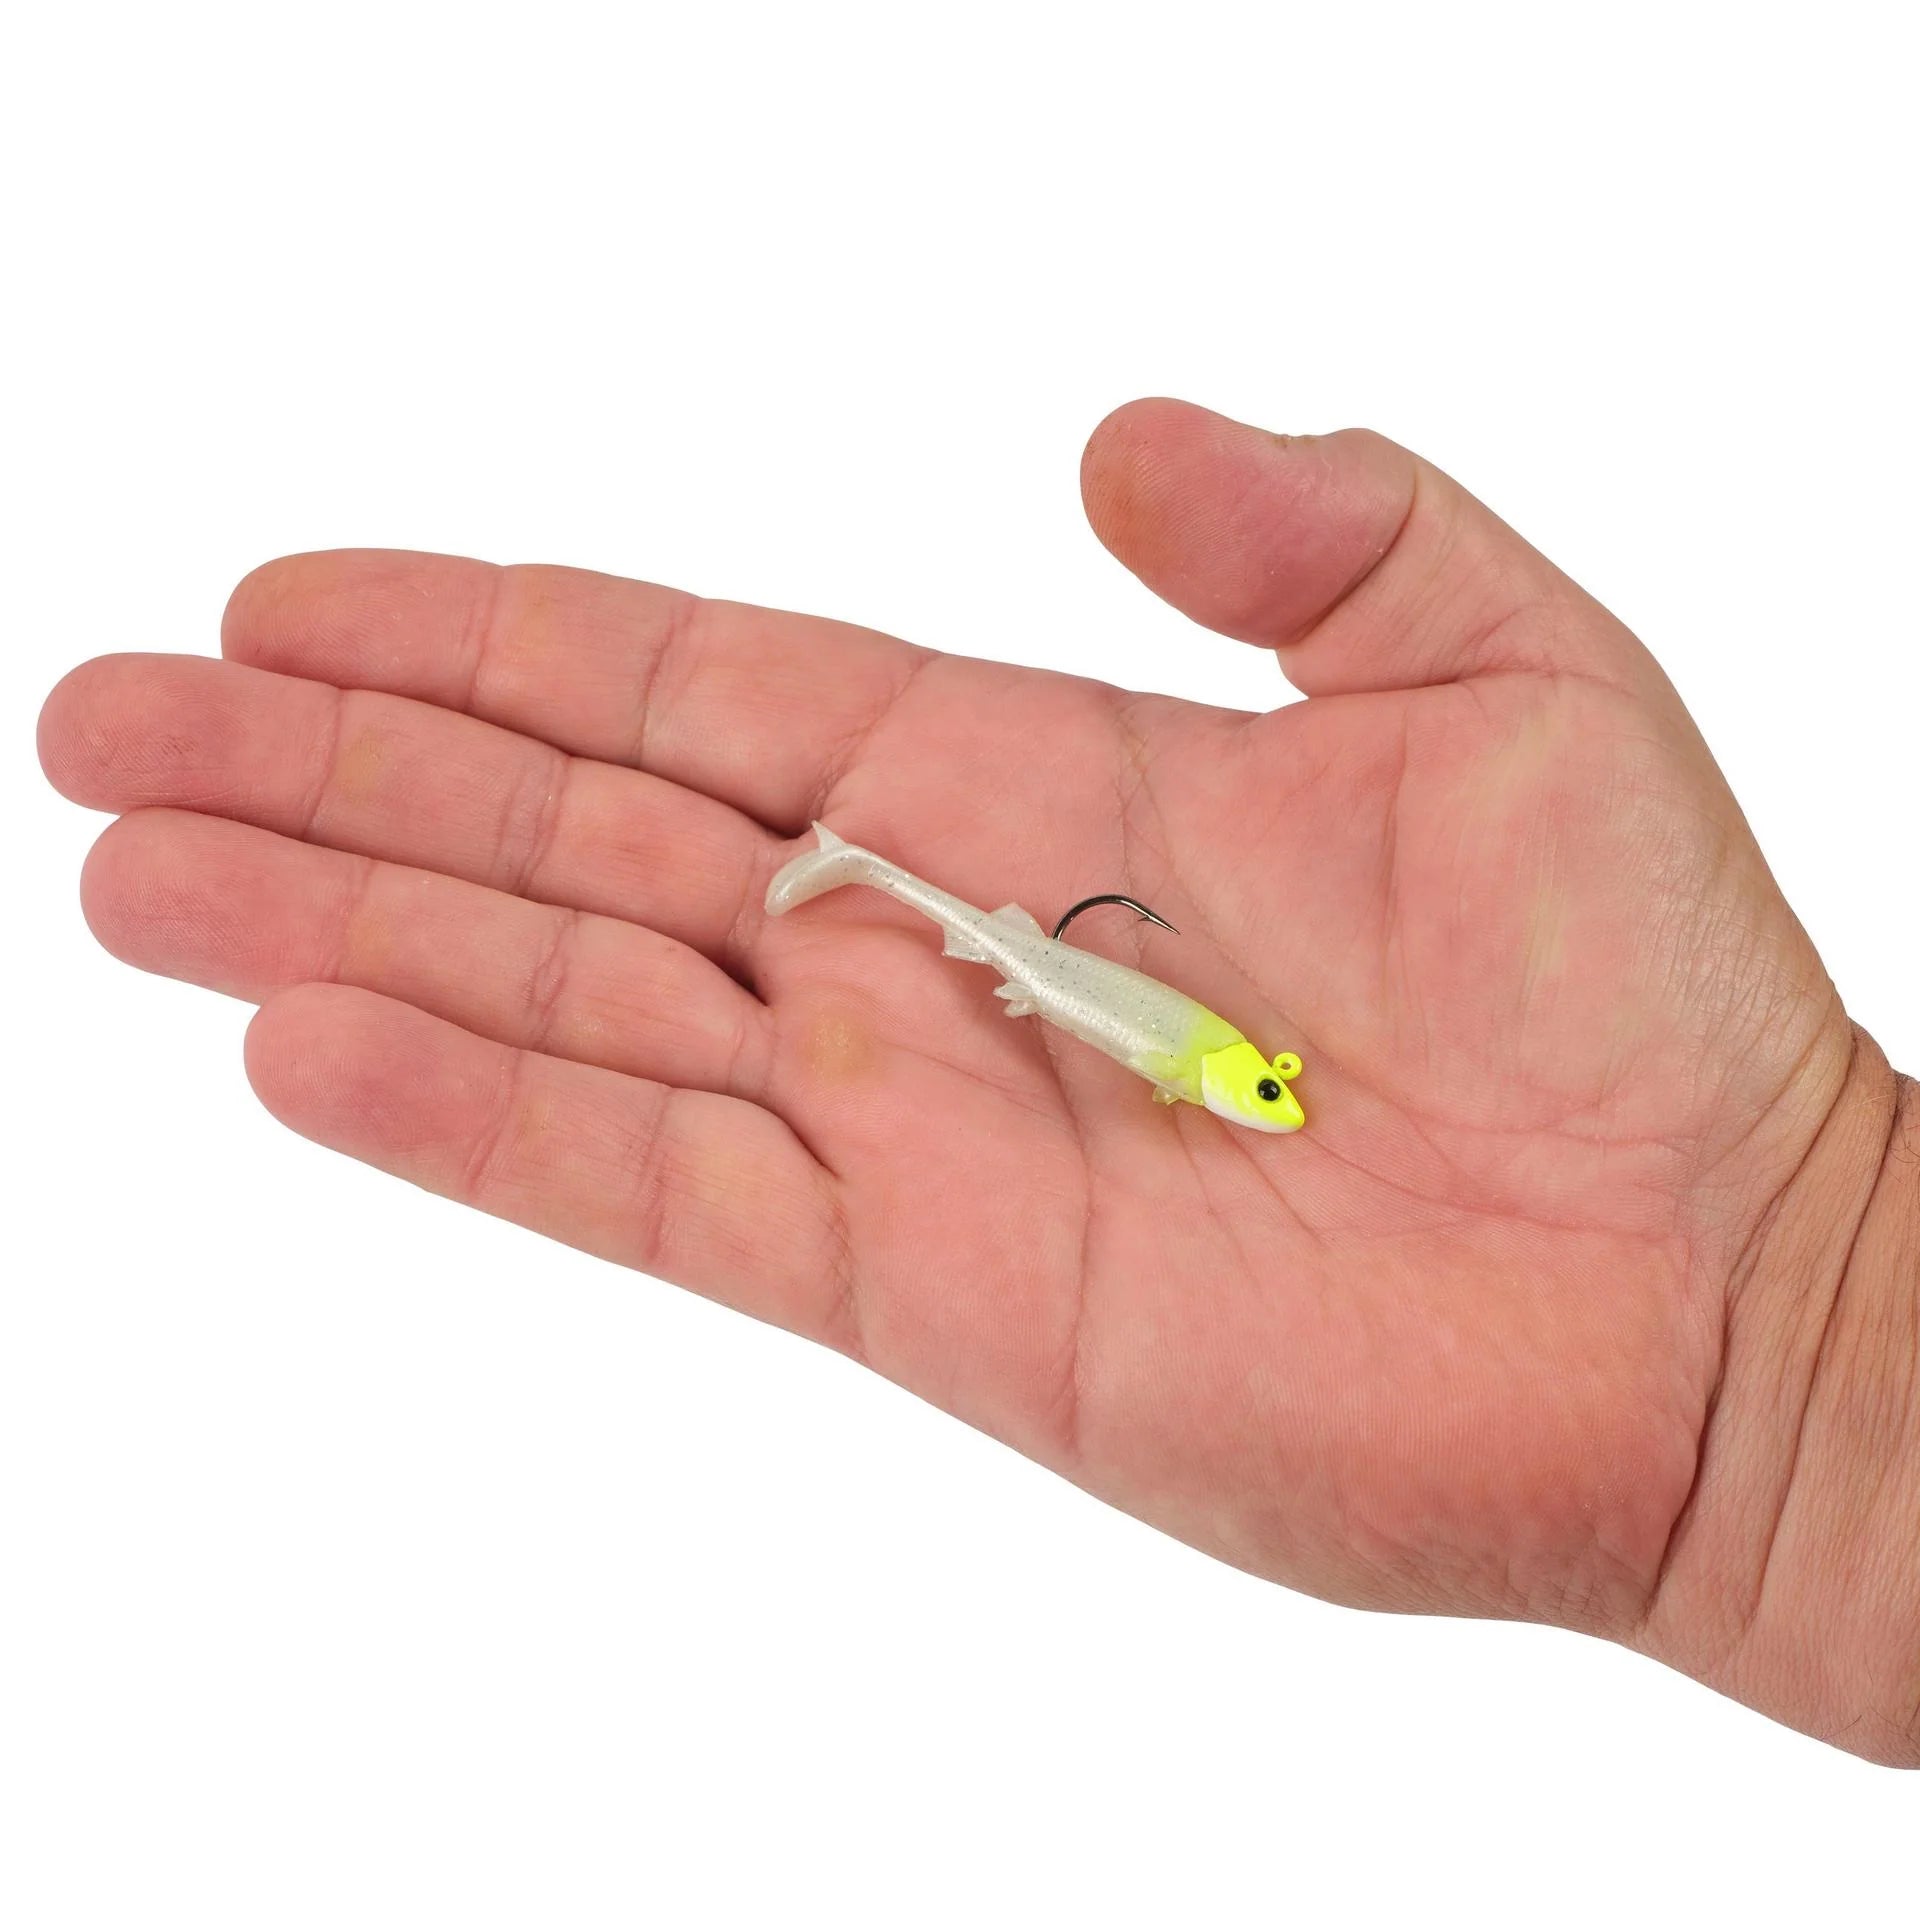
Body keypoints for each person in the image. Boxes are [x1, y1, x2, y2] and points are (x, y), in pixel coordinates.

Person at [36, 397, 1917, 1765]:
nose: (1277, 1110)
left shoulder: (1225, 1067)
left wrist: (1799, 1353)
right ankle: (855, 875)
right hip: (1037, 956)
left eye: (1267, 1106)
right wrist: (1795, 1369)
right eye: (1269, 1102)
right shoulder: (1178, 1046)